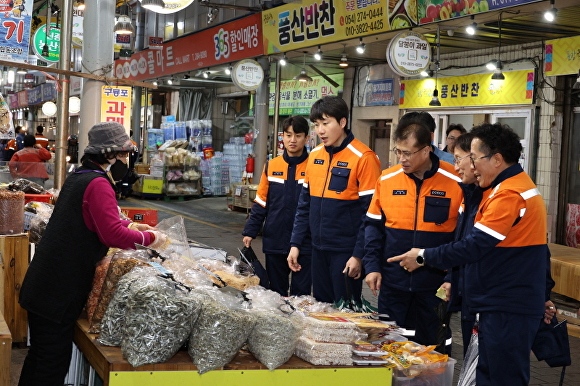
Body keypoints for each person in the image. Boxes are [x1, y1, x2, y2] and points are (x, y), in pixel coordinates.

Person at [388, 122, 555, 386]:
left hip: (507, 303)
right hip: (497, 301)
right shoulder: (500, 189)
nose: (471, 166)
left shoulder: (510, 194)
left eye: (474, 158)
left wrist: (423, 256)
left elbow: (475, 245)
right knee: (488, 373)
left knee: (503, 376)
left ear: (497, 159)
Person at [18, 122, 167, 386]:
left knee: (41, 357)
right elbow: (112, 235)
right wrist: (151, 238)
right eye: (122, 154)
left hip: (44, 283)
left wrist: (131, 225)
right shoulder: (97, 183)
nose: (125, 160)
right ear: (108, 153)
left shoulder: (80, 175)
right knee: (51, 363)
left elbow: (99, 220)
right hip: (57, 290)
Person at [362, 116, 463, 352]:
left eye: (408, 153)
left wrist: (451, 278)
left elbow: (462, 238)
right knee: (390, 344)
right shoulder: (387, 179)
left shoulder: (456, 181)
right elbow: (373, 227)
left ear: (427, 150)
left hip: (435, 285)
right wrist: (372, 267)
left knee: (435, 346)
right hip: (393, 283)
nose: (402, 159)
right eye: (398, 151)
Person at [288, 96, 381, 305]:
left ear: (342, 122)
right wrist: (296, 244)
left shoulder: (364, 157)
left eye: (325, 123)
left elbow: (372, 215)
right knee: (322, 308)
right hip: (317, 250)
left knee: (345, 311)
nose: (320, 130)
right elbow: (304, 205)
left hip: (345, 252)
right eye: (317, 125)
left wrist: (358, 255)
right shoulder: (315, 155)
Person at [243, 116, 312, 297]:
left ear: (307, 137)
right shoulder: (272, 166)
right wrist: (251, 230)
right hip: (275, 240)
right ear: (282, 137)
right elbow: (261, 202)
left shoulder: (314, 167)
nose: (293, 140)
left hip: (305, 242)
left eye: (298, 135)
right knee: (276, 293)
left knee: (301, 295)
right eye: (288, 135)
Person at [441, 132, 480, 352]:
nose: (455, 167)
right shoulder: (469, 195)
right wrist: (451, 277)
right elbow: (461, 238)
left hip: (486, 298)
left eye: (458, 159)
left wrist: (423, 256)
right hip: (467, 293)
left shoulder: (501, 197)